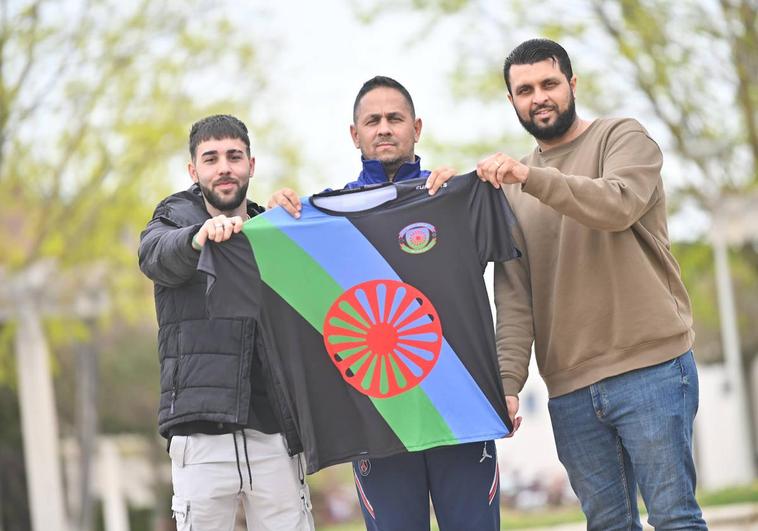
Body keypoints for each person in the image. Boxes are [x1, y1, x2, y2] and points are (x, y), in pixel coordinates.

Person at [477, 38, 707, 530]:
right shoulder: (512, 192)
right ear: (512, 100)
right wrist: (509, 383)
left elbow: (616, 205)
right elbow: (515, 297)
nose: (538, 97)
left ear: (572, 85)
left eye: (549, 84)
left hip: (652, 369)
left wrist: (530, 178)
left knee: (674, 519)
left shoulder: (623, 138)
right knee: (606, 526)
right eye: (524, 90)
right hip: (570, 390)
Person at [268, 76, 504, 531]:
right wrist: (273, 219)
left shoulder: (452, 196)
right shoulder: (322, 222)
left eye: (395, 118)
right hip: (376, 423)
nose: (384, 128)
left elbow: (514, 278)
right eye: (372, 120)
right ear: (354, 135)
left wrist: (476, 186)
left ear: (417, 127)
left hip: (461, 410)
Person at [138, 114, 314, 530]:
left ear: (251, 165)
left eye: (234, 157)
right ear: (193, 170)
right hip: (200, 437)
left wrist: (293, 221)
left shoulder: (273, 226)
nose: (224, 168)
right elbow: (154, 255)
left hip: (274, 434)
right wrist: (200, 236)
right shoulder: (173, 219)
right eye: (211, 158)